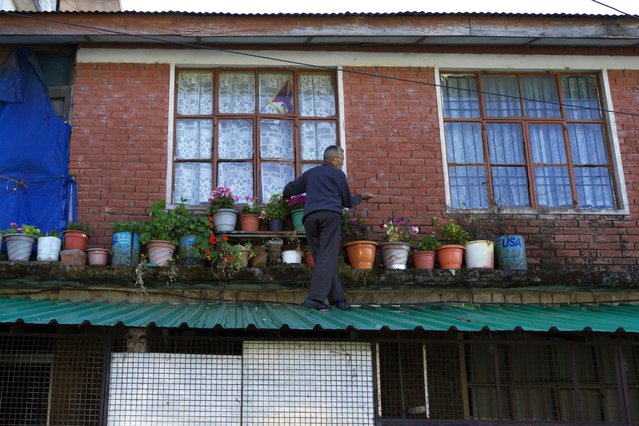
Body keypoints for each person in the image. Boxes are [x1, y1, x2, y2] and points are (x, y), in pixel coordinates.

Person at [283, 145, 374, 311]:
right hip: (330, 217)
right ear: (333, 159)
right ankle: (315, 298)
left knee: (323, 258)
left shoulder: (310, 174)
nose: (342, 164)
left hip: (310, 219)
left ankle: (338, 299)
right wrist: (361, 197)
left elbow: (289, 189)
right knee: (327, 257)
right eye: (342, 160)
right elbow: (346, 201)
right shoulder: (338, 174)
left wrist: (284, 197)